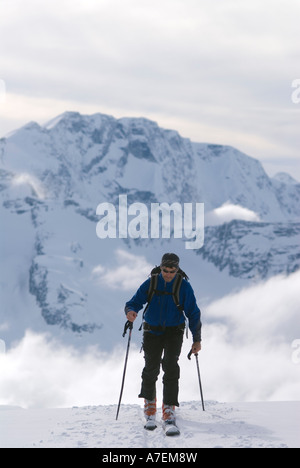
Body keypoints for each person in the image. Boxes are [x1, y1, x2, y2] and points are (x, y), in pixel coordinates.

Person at [124, 253, 202, 430]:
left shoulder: (184, 286)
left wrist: (197, 339)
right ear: (160, 268)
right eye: (165, 270)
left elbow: (193, 313)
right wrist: (130, 311)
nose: (167, 274)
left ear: (177, 270)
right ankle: (150, 404)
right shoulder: (151, 282)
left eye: (171, 271)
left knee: (170, 366)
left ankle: (168, 407)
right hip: (152, 330)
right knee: (151, 367)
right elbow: (134, 302)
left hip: (174, 331)